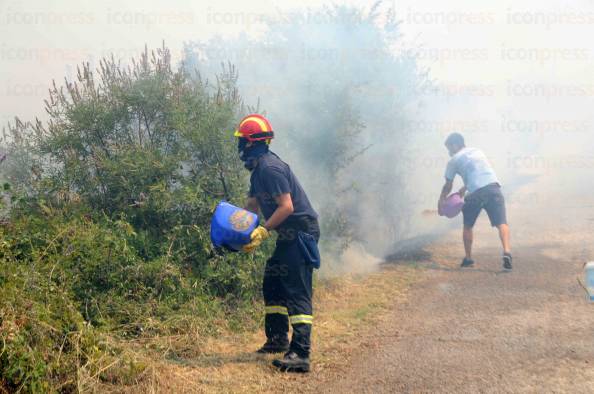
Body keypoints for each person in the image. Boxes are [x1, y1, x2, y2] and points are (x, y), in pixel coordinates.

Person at [234, 114, 320, 373]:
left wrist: (263, 231)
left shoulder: (270, 169)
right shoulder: (258, 172)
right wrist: (236, 232)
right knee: (272, 281)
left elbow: (286, 207)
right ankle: (277, 339)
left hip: (300, 231)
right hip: (286, 233)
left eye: (241, 141)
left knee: (296, 289)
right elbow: (251, 207)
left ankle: (301, 353)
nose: (239, 147)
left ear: (250, 143)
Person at [438, 132, 512, 270]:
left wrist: (441, 201)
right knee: (502, 223)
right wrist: (465, 187)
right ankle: (507, 251)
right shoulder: (478, 151)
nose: (448, 152)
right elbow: (478, 172)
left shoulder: (453, 161)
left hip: (475, 195)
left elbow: (448, 185)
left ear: (455, 145)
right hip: (493, 188)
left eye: (449, 148)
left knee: (468, 226)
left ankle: (468, 258)